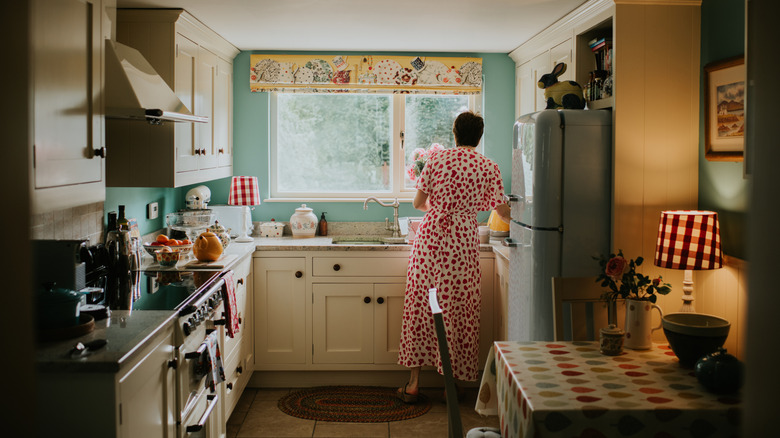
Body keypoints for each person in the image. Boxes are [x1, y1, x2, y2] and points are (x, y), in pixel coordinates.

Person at [397, 111, 511, 403]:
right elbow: (502, 211)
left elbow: (418, 202)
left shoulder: (436, 159)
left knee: (421, 305)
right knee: (458, 308)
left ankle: (413, 384)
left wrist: (439, 210)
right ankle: (452, 385)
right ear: (479, 136)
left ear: (455, 133)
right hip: (462, 243)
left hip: (430, 240)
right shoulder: (488, 166)